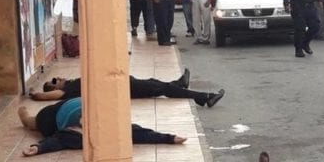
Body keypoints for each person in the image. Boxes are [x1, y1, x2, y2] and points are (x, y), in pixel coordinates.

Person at [18, 98, 187, 157]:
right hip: (53, 114)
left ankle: (25, 115)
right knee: (32, 124)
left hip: (69, 108)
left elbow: (138, 133)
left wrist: (169, 138)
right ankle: (24, 115)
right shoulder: (75, 134)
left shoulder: (109, 125)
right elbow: (55, 141)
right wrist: (38, 147)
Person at [29, 69, 225, 108]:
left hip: (125, 83)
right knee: (163, 88)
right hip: (124, 88)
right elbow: (44, 97)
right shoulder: (68, 91)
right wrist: (35, 94)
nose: (60, 78)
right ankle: (204, 97)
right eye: (55, 81)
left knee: (155, 83)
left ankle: (179, 84)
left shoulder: (71, 83)